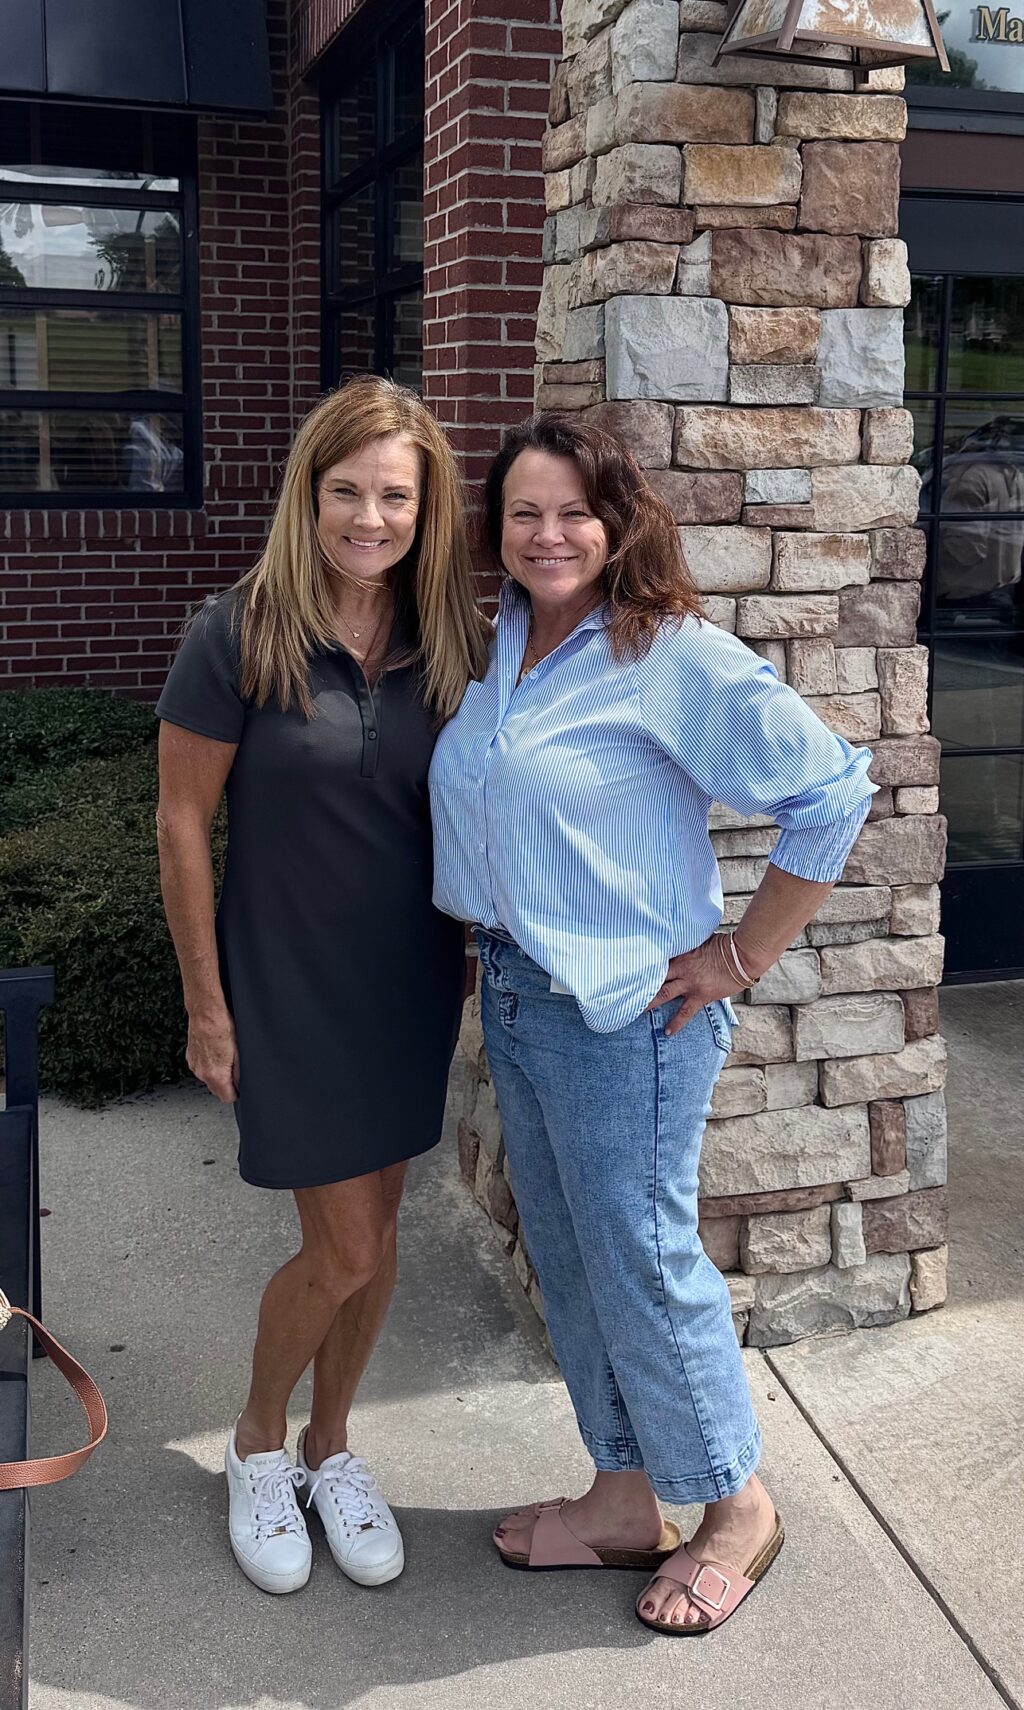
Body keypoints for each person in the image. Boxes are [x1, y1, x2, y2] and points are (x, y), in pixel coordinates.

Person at [430, 414, 877, 1635]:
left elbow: (832, 790)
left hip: (626, 1017)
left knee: (640, 1258)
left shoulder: (665, 653)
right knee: (571, 1260)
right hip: (519, 994)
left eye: (575, 510)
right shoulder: (499, 644)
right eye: (525, 512)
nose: (549, 533)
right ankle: (626, 1498)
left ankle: (735, 1506)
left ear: (619, 522)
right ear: (498, 532)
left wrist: (741, 953)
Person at [156, 376, 490, 1596]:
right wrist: (206, 1001)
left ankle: (332, 1447)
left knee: (381, 1232)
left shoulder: (452, 640)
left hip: (408, 984)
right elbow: (183, 821)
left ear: (425, 505)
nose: (369, 516)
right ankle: (256, 1444)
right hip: (284, 984)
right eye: (345, 489)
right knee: (341, 1248)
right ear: (309, 493)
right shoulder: (236, 630)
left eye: (393, 494)